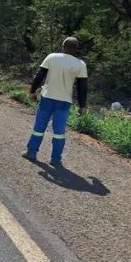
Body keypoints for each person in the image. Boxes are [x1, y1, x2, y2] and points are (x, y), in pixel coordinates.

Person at [22, 37, 88, 166]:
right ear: (76, 49)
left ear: (63, 46)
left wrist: (32, 91)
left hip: (47, 98)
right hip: (64, 102)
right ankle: (56, 159)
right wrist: (82, 106)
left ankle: (31, 152)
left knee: (39, 127)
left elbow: (40, 75)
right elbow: (82, 87)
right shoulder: (80, 64)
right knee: (59, 132)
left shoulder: (52, 57)